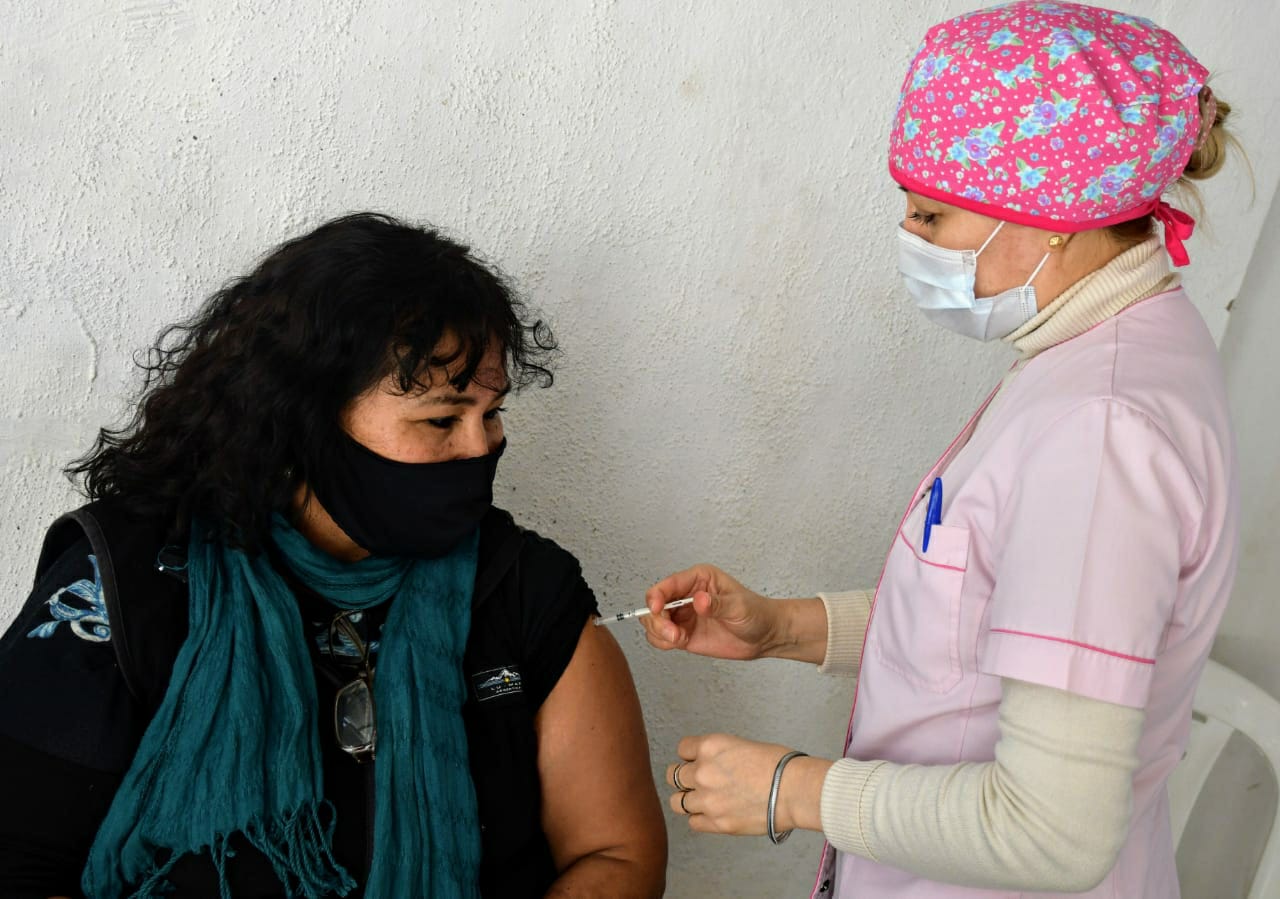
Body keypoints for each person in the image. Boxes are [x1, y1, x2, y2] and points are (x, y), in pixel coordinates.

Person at [643, 4, 1241, 896]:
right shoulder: (1098, 352)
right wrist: (782, 627)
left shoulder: (1102, 434)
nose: (910, 239)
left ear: (1052, 215)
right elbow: (983, 614)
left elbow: (1053, 834)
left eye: (930, 213)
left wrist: (790, 788)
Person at [0, 213, 667, 898]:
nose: (481, 447)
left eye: (491, 413)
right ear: (309, 421)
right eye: (442, 418)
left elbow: (616, 855)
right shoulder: (129, 580)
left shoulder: (524, 588)